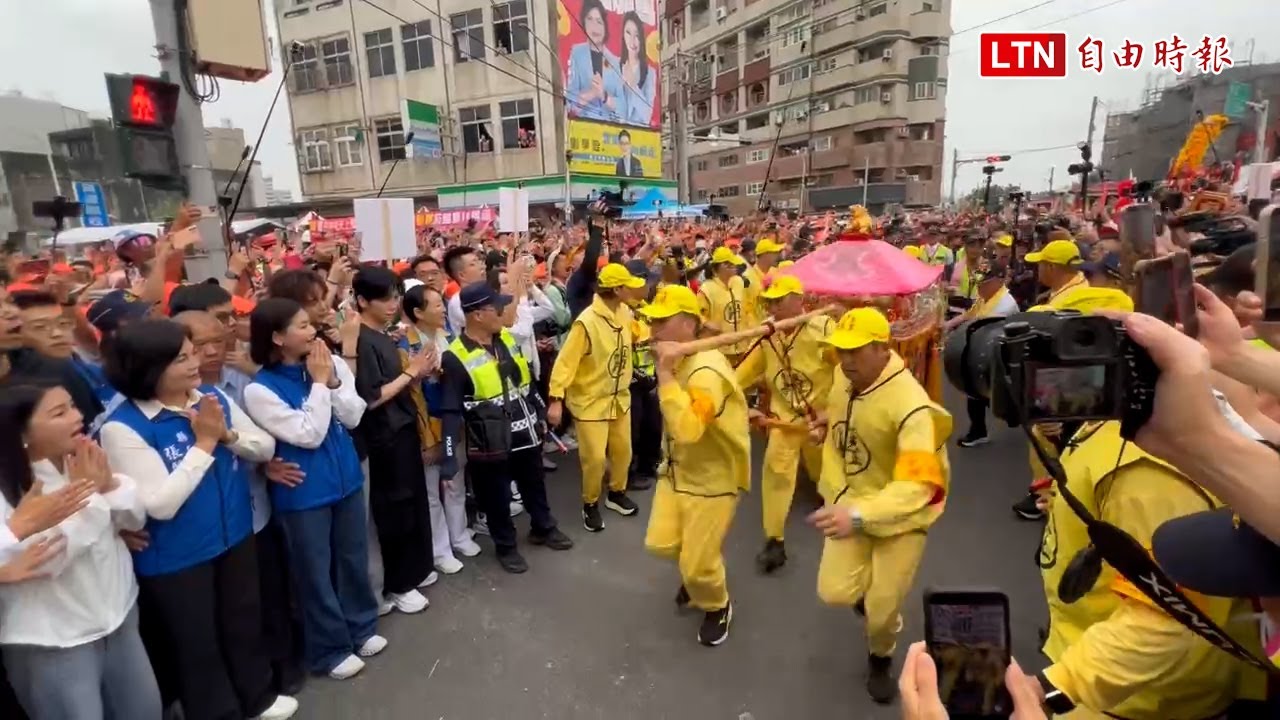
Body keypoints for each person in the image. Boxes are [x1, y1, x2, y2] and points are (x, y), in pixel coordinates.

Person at [98, 319, 297, 720]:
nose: (194, 364)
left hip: (234, 533)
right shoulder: (124, 428)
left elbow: (264, 446)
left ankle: (257, 696)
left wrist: (226, 437)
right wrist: (205, 444)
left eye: (191, 354)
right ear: (147, 367)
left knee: (243, 621)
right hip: (176, 556)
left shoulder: (210, 398)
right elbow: (159, 505)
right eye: (180, 359)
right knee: (197, 643)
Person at [807, 307, 952, 704]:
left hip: (901, 520)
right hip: (850, 501)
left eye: (855, 351)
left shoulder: (911, 408)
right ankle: (870, 605)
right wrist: (827, 424)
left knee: (882, 610)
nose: (845, 360)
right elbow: (841, 415)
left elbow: (918, 485)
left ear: (881, 347)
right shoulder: (843, 376)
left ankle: (881, 655)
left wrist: (856, 515)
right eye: (841, 350)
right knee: (834, 591)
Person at [0, 382, 162, 719]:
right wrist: (94, 499)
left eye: (73, 406)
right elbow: (48, 559)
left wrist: (109, 486)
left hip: (119, 615)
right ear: (21, 434)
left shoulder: (80, 460)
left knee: (144, 710)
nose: (78, 416)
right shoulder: (9, 490)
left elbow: (133, 519)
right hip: (56, 639)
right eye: (60, 413)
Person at [243, 298, 385, 681]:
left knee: (353, 559)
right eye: (302, 326)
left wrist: (333, 381)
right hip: (304, 493)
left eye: (311, 324)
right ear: (276, 337)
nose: (313, 331)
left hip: (346, 480)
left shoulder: (327, 365)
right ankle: (329, 648)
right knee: (314, 574)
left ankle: (361, 625)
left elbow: (354, 416)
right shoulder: (261, 390)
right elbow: (307, 434)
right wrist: (321, 385)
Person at [640, 285, 749, 646]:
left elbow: (687, 429)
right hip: (676, 472)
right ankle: (695, 576)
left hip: (712, 481)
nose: (653, 330)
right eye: (652, 321)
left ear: (688, 324)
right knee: (660, 544)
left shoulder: (705, 371)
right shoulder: (682, 357)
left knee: (700, 565)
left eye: (662, 322)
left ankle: (718, 604)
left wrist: (666, 377)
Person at [439, 283, 573, 573]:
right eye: (496, 308)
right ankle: (506, 546)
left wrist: (540, 408)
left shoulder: (506, 340)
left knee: (534, 482)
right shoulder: (454, 356)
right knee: (496, 496)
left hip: (523, 429)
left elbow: (525, 382)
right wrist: (449, 458)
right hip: (488, 440)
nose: (503, 312)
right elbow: (450, 411)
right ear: (476, 315)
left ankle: (543, 527)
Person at [351, 266, 437, 613]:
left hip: (402, 429)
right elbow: (371, 397)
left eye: (396, 296)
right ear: (361, 300)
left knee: (412, 504)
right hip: (384, 436)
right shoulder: (360, 340)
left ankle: (412, 574)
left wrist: (417, 373)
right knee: (395, 511)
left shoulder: (383, 334)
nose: (393, 304)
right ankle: (398, 584)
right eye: (384, 298)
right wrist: (411, 371)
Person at [734, 275, 834, 574]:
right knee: (776, 472)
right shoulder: (767, 335)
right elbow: (745, 372)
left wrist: (836, 411)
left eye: (779, 300)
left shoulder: (823, 328)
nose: (773, 307)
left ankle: (828, 499)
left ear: (797, 300)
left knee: (824, 469)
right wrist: (723, 393)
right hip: (784, 420)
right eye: (770, 301)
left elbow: (845, 367)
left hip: (819, 418)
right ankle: (774, 539)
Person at [548, 263, 644, 532]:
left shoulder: (624, 311)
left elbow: (634, 332)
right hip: (590, 401)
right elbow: (566, 362)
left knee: (624, 451)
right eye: (628, 285)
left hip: (619, 398)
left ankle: (616, 493)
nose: (634, 288)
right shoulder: (587, 322)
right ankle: (589, 503)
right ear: (616, 289)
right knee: (595, 460)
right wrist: (556, 398)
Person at [400, 284, 482, 573]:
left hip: (454, 421)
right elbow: (413, 395)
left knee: (455, 481)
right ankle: (439, 549)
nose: (442, 308)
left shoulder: (448, 336)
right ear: (417, 312)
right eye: (435, 305)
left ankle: (459, 535)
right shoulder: (405, 346)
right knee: (432, 492)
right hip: (428, 428)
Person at [945, 257, 1018, 448]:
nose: (979, 287)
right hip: (984, 353)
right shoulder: (986, 298)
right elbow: (969, 314)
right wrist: (947, 325)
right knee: (976, 394)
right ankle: (979, 430)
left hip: (999, 355)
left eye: (984, 283)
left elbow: (979, 326)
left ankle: (984, 427)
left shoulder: (1004, 305)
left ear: (999, 280)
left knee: (986, 394)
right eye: (977, 282)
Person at [623, 259, 659, 491]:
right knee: (631, 431)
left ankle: (648, 465)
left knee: (653, 426)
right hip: (631, 382)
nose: (650, 286)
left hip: (650, 377)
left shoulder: (647, 308)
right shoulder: (622, 312)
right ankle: (627, 474)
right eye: (646, 281)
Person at [564, 0, 623, 123]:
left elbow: (623, 107)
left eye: (599, 21)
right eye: (589, 19)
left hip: (611, 134)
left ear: (605, 27)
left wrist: (604, 95)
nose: (594, 27)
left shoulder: (615, 62)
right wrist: (592, 93)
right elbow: (570, 103)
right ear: (583, 23)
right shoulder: (577, 54)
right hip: (585, 131)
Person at [697, 247, 750, 361]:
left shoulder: (738, 282)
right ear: (718, 268)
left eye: (733, 263)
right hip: (719, 348)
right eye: (728, 264)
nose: (733, 266)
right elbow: (697, 315)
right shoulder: (707, 289)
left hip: (741, 345)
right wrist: (707, 323)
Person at [616, 11, 655, 127]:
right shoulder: (614, 65)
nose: (632, 41)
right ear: (623, 35)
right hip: (613, 135)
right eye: (628, 33)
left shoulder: (650, 73)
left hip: (640, 137)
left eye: (637, 35)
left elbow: (647, 115)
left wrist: (633, 85)